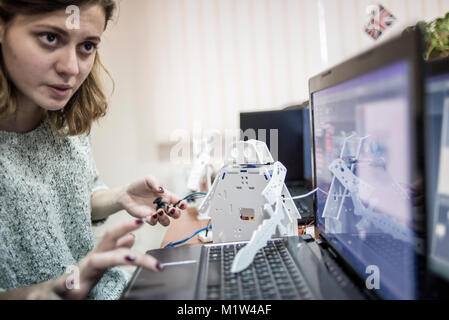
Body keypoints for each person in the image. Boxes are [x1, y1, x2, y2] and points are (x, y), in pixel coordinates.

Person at [0, 0, 187, 300]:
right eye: (51, 38)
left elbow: (75, 200)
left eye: (87, 46)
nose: (71, 68)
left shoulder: (67, 124)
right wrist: (53, 292)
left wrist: (120, 196)